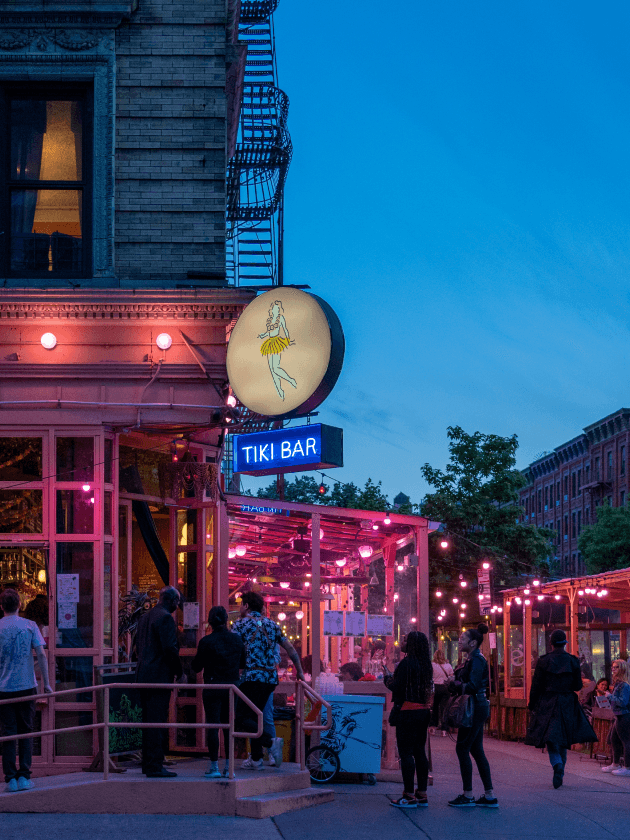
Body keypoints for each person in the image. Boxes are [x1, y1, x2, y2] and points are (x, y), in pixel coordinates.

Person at [232, 591, 304, 770]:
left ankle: (270, 743)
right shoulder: (272, 625)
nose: (240, 607)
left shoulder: (239, 625)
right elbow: (290, 650)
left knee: (241, 718)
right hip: (270, 679)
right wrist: (300, 672)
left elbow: (232, 649)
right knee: (257, 717)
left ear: (247, 606)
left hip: (251, 678)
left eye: (241, 604)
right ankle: (256, 759)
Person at [525, 629, 596, 789]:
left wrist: (532, 704)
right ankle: (560, 768)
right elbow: (577, 685)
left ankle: (556, 764)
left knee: (550, 739)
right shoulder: (573, 661)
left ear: (550, 643)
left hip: (548, 701)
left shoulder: (543, 661)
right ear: (565, 643)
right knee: (564, 738)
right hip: (567, 701)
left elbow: (536, 686)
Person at [0, 588, 53, 792]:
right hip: (27, 686)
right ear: (20, 605)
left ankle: (10, 779)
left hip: (3, 688)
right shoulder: (30, 625)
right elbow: (41, 654)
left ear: (2, 606)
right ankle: (24, 776)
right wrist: (46, 684)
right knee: (26, 731)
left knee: (8, 733)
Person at [191, 605, 245, 779]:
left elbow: (197, 667)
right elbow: (243, 663)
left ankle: (214, 765)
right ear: (226, 620)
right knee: (229, 727)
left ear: (210, 621)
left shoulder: (206, 642)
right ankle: (229, 767)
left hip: (212, 687)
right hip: (232, 687)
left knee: (213, 726)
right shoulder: (237, 640)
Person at [135, 586, 184, 778]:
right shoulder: (165, 618)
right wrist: (179, 672)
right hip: (158, 677)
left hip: (143, 675)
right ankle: (155, 765)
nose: (177, 607)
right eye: (177, 603)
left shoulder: (145, 617)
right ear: (171, 601)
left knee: (147, 722)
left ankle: (148, 764)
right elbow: (170, 649)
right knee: (156, 721)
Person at [448, 624, 498, 808]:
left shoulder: (477, 659)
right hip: (477, 706)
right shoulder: (473, 658)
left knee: (462, 748)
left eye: (463, 638)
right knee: (476, 750)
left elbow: (473, 685)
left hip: (474, 707)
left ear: (474, 642)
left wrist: (455, 684)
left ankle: (468, 794)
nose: (460, 640)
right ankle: (489, 795)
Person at [383, 630, 433, 809]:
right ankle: (422, 793)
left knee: (406, 753)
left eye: (405, 640)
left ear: (411, 644)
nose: (401, 642)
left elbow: (396, 686)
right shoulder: (426, 664)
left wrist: (387, 678)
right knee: (420, 750)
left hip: (407, 711)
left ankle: (408, 795)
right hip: (423, 712)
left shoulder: (406, 663)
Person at [601, 659, 630, 775]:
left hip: (624, 715)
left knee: (626, 741)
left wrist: (609, 696)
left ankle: (627, 767)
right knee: (614, 739)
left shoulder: (624, 685)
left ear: (622, 669)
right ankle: (615, 764)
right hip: (618, 715)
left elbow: (623, 702)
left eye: (616, 667)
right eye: (613, 667)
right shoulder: (618, 684)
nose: (613, 669)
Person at [431, 649, 454, 735]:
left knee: (435, 708)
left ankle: (433, 727)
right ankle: (444, 729)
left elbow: (430, 676)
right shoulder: (448, 665)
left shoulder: (432, 665)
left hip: (436, 688)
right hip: (445, 688)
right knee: (444, 708)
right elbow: (451, 677)